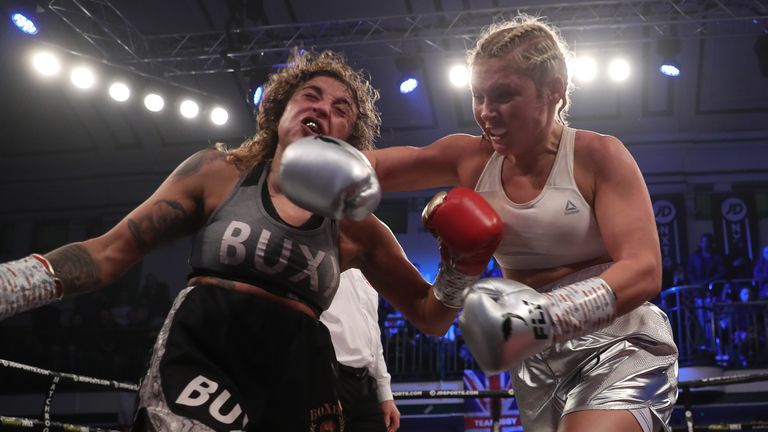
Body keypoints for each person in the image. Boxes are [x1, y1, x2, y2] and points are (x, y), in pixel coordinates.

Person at [0, 50, 504, 431]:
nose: (323, 108)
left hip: (299, 372)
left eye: (341, 108)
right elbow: (108, 253)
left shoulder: (358, 229)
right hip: (206, 351)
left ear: (349, 141)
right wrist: (9, 284)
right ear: (279, 110)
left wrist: (461, 268)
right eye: (311, 96)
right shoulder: (217, 174)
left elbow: (430, 316)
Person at [281, 14, 678, 432]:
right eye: (478, 95)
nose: (487, 112)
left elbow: (644, 269)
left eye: (504, 95)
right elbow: (369, 167)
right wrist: (291, 155)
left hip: (617, 341)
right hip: (535, 362)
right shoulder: (471, 159)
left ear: (554, 91)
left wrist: (544, 315)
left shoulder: (598, 156)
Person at [321, 268, 400, 432]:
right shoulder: (321, 261)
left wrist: (385, 393)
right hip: (328, 380)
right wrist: (320, 385)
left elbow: (373, 332)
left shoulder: (366, 271)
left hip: (365, 385)